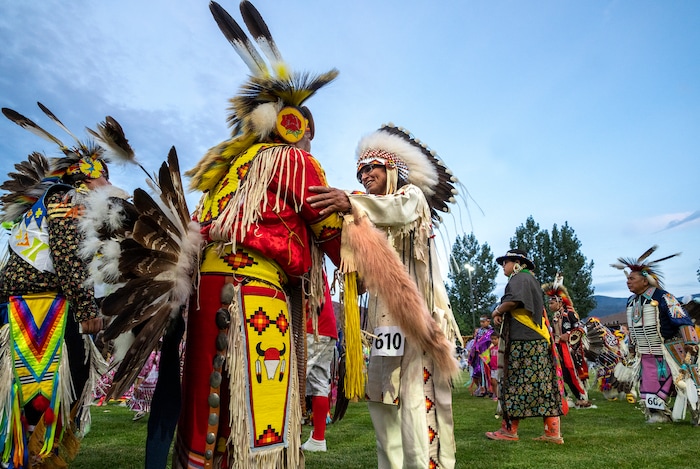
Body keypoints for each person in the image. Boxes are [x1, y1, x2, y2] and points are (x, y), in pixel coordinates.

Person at [172, 2, 343, 467]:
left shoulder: (226, 172)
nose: (311, 145)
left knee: (207, 406)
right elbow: (336, 242)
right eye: (310, 135)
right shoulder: (295, 163)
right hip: (252, 294)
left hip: (206, 292)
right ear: (293, 127)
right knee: (252, 416)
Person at [307, 124, 461, 469]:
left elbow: (396, 210)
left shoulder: (411, 199)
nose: (364, 175)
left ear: (391, 169)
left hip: (418, 323)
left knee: (417, 411)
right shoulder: (368, 218)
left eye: (371, 167)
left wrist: (351, 201)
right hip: (382, 328)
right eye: (359, 171)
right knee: (381, 405)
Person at [0, 104, 113, 468]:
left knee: (16, 400)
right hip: (45, 311)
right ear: (89, 176)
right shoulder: (70, 200)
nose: (108, 187)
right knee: (54, 396)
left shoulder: (43, 203)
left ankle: (21, 457)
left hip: (17, 309)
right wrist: (86, 308)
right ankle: (36, 457)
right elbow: (68, 255)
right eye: (104, 179)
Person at [611, 246, 699, 424]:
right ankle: (658, 414)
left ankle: (697, 413)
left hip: (671, 350)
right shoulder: (632, 301)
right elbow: (634, 327)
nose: (628, 281)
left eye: (632, 278)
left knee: (686, 382)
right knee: (650, 383)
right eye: (627, 278)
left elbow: (682, 319)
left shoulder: (664, 297)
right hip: (647, 353)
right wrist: (633, 348)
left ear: (645, 281)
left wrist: (690, 342)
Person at [487, 249, 565, 444]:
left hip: (525, 343)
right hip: (535, 341)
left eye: (505, 262)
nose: (502, 266)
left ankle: (508, 431)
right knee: (543, 387)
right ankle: (552, 433)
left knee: (514, 384)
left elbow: (513, 301)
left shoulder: (519, 278)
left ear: (516, 263)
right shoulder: (527, 278)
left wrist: (497, 310)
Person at [542, 274, 591, 408]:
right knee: (561, 373)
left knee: (572, 373)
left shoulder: (570, 313)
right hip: (558, 348)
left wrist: (568, 335)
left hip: (570, 350)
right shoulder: (555, 316)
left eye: (552, 302)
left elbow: (581, 328)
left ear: (560, 302)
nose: (549, 305)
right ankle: (567, 397)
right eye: (549, 303)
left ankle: (582, 396)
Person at [301, 280, 338, 452]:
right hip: (328, 329)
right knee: (320, 383)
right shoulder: (317, 266)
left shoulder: (306, 258)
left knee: (294, 379)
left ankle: (287, 433)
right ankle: (318, 439)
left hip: (312, 326)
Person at [469, 315, 494, 397]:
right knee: (477, 372)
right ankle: (481, 388)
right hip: (478, 355)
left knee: (487, 371)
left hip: (487, 355)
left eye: (483, 322)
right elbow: (476, 342)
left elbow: (488, 342)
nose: (482, 323)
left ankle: (490, 389)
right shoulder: (479, 331)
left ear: (488, 321)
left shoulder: (491, 331)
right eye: (481, 322)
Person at [488, 332, 500, 401]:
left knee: (498, 382)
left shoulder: (500, 348)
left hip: (498, 368)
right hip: (493, 368)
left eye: (495, 339)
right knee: (493, 382)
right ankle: (496, 395)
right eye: (492, 339)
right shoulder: (491, 348)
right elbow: (489, 357)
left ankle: (499, 395)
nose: (493, 341)